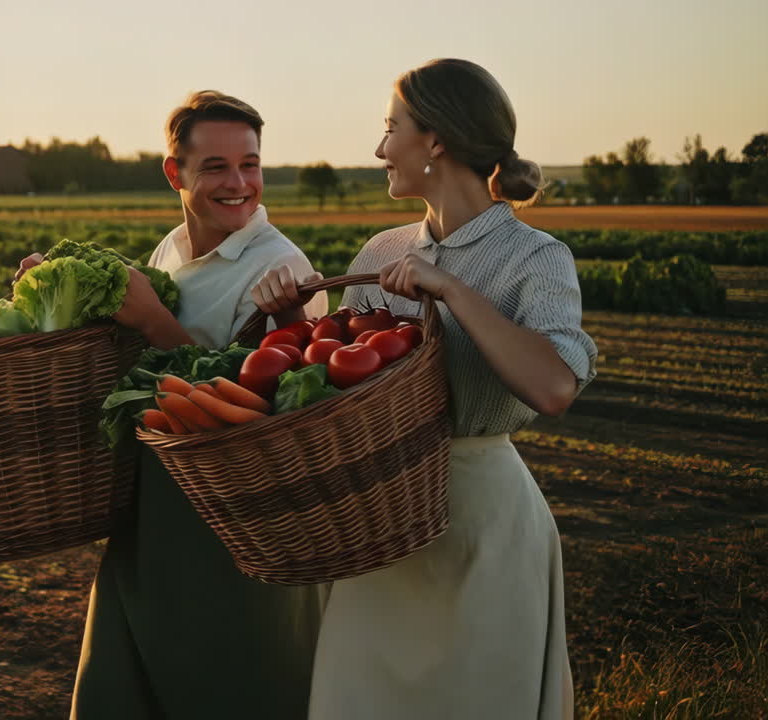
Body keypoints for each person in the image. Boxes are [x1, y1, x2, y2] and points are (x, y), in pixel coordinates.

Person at [253, 59, 595, 720]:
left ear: (435, 140)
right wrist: (292, 321)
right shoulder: (380, 254)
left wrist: (454, 291)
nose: (380, 149)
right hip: (377, 527)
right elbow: (339, 389)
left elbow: (554, 386)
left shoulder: (535, 257)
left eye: (392, 128)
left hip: (483, 533)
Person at [21, 90, 328, 719]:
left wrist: (156, 321)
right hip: (154, 506)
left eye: (250, 163)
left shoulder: (281, 269)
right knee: (128, 684)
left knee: (231, 683)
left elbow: (264, 424)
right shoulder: (170, 252)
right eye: (215, 167)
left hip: (234, 528)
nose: (239, 183)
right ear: (175, 174)